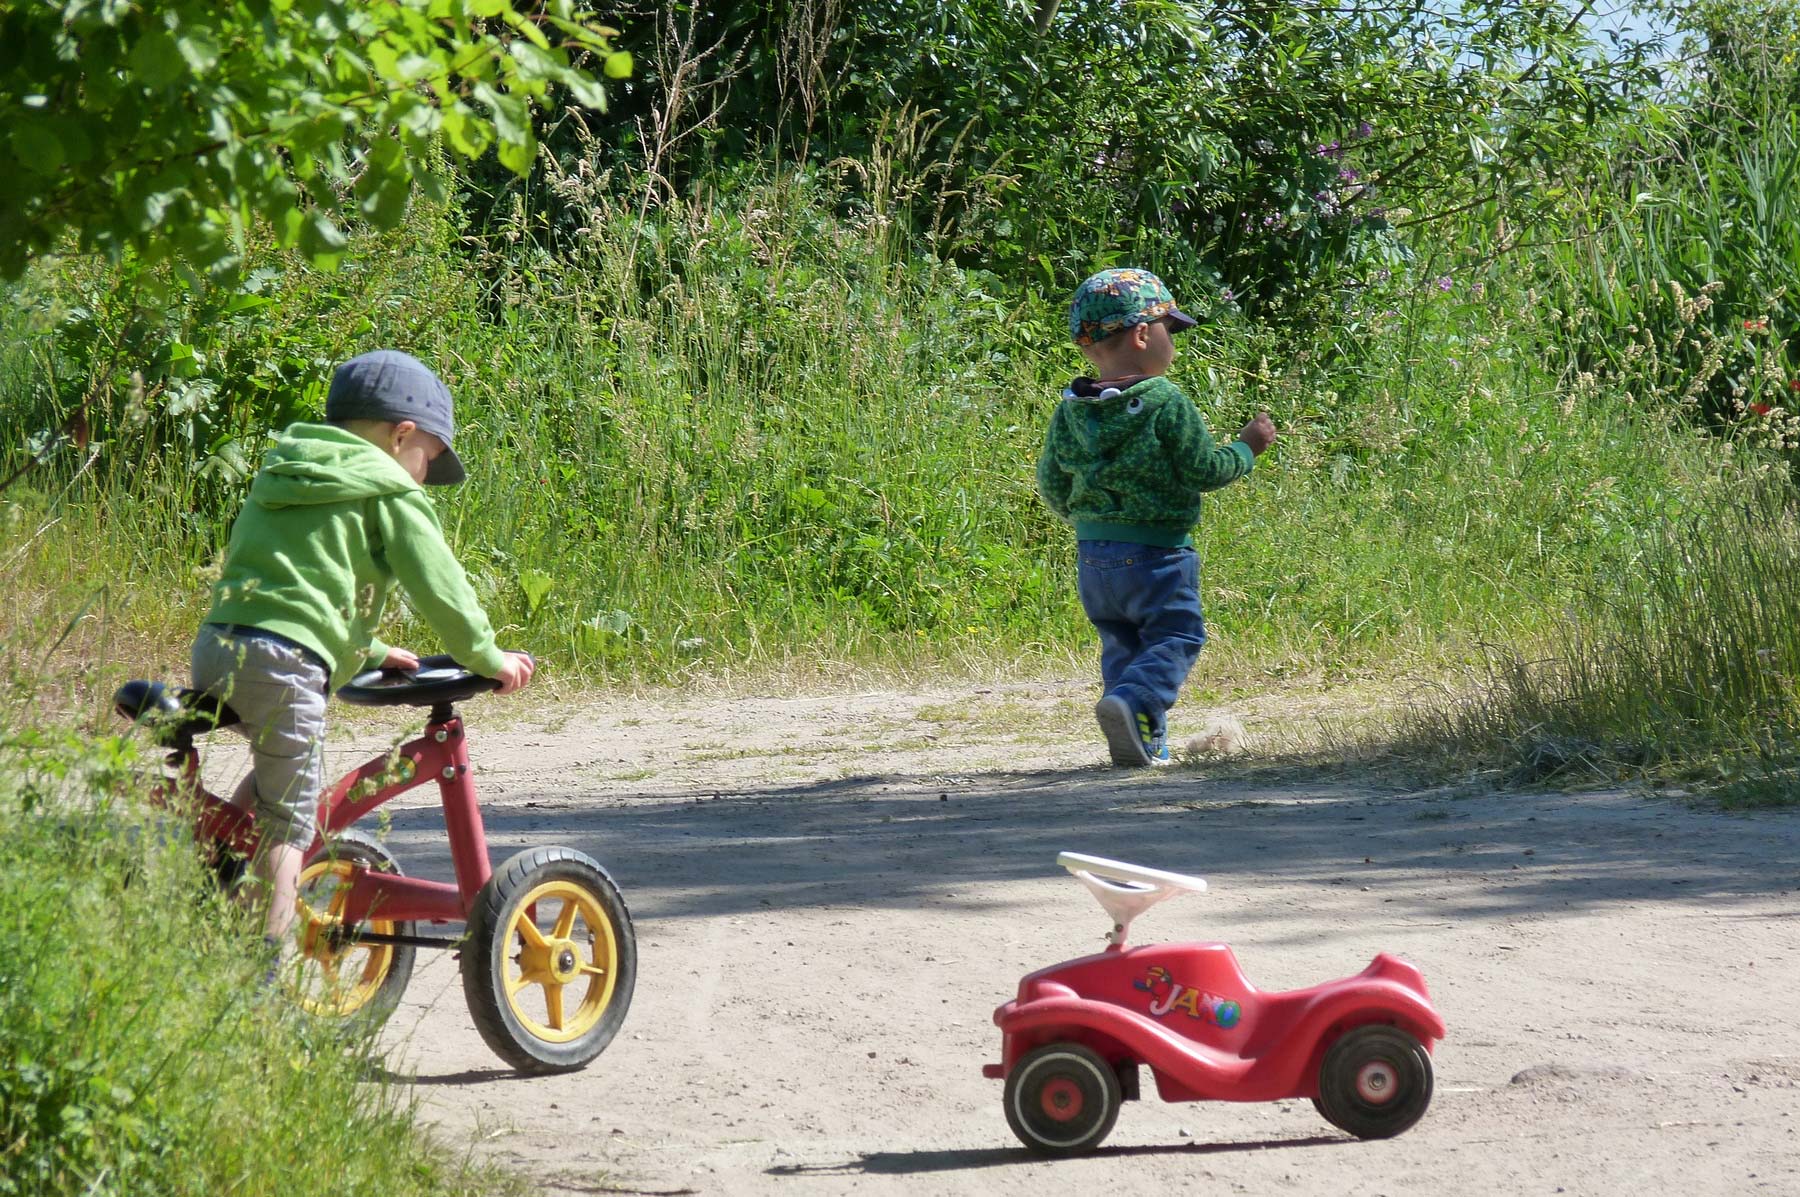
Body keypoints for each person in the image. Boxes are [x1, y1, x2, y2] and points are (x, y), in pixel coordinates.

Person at [191, 349, 534, 960]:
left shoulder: (284, 473)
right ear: (402, 434)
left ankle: (213, 870)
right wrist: (487, 656)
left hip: (219, 646)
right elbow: (442, 590)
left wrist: (369, 648)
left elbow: (291, 581)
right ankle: (257, 987)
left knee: (276, 774)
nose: (423, 476)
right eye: (427, 457)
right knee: (290, 826)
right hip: (285, 661)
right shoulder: (388, 492)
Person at [1037, 269, 1275, 766]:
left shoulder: (1071, 410)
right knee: (1176, 635)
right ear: (1144, 335)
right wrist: (1248, 447)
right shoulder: (1166, 401)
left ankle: (1143, 740)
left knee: (1122, 644)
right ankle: (1135, 705)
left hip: (1093, 557)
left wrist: (1089, 520)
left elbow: (1053, 485)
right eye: (1171, 328)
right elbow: (1204, 469)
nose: (1173, 340)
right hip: (1159, 554)